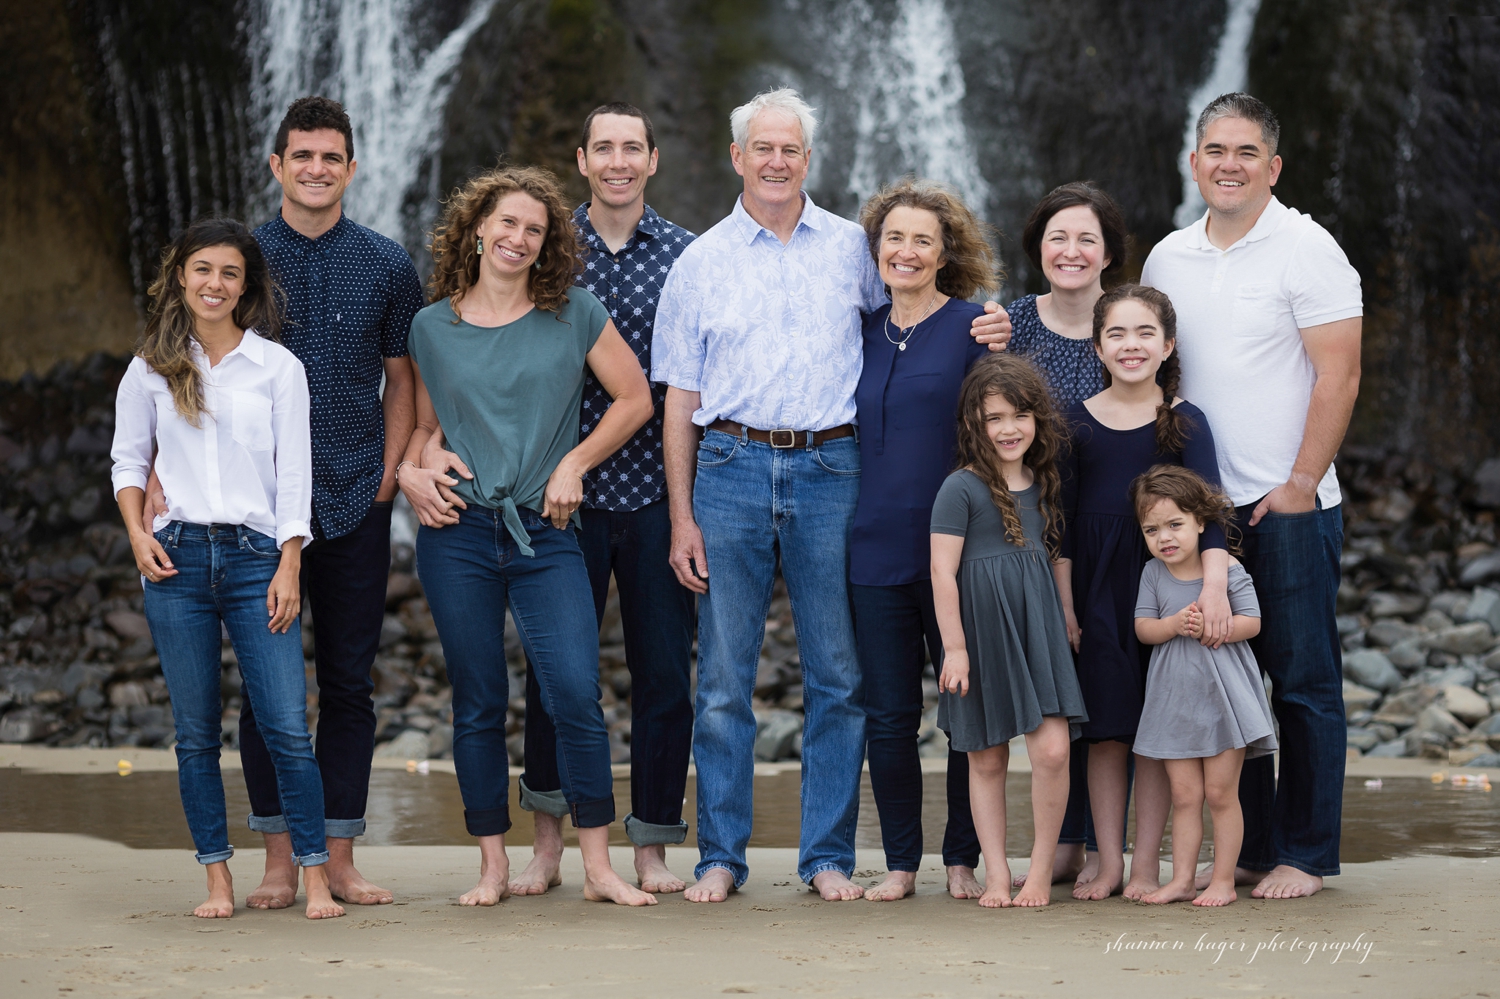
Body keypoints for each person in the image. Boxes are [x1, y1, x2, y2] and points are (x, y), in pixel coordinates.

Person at [654, 88, 1013, 905]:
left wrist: (990, 325)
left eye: (791, 149)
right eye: (763, 147)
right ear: (737, 156)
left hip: (832, 468)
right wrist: (681, 516)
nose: (777, 161)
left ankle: (825, 855)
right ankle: (721, 856)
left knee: (839, 676)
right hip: (729, 466)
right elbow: (679, 396)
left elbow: (919, 321)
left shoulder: (856, 247)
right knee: (723, 680)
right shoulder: (699, 261)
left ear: (808, 159)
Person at [147, 96, 425, 908]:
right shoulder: (240, 259)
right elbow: (179, 366)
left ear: (352, 167)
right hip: (254, 516)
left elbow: (402, 377)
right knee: (266, 694)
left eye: (330, 156)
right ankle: (278, 858)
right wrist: (159, 468)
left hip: (353, 498)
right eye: (301, 155)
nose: (316, 168)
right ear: (276, 164)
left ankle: (337, 857)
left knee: (348, 684)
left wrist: (388, 472)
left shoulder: (386, 263)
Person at [397, 165, 657, 907]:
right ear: (478, 228)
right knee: (479, 699)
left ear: (548, 244)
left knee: (574, 691)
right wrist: (414, 469)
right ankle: (492, 864)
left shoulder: (574, 312)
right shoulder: (430, 326)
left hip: (547, 531)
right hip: (457, 531)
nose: (518, 237)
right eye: (507, 222)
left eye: (534, 229)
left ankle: (599, 868)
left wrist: (575, 462)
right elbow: (424, 426)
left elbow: (634, 398)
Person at [1141, 92, 1362, 899]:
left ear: (1273, 166)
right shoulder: (1167, 257)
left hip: (1288, 506)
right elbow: (1146, 366)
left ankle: (1305, 852)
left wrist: (1301, 482)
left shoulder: (1308, 248)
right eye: (1215, 150)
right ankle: (1252, 847)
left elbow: (1341, 372)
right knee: (1225, 683)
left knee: (1301, 681)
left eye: (1245, 152)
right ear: (1193, 162)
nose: (1228, 165)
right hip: (1201, 518)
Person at [111, 217, 343, 921]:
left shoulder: (278, 367)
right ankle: (216, 879)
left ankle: (315, 875)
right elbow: (127, 461)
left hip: (255, 559)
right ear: (181, 276)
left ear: (246, 287)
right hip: (174, 560)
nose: (215, 283)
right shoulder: (150, 368)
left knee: (286, 727)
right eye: (203, 269)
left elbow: (295, 472)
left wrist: (290, 561)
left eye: (230, 273)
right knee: (195, 735)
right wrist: (136, 536)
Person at [504, 103, 698, 897]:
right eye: (604, 148)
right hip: (561, 496)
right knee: (555, 674)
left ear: (652, 160)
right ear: (581, 160)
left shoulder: (689, 255)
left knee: (665, 676)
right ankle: (549, 843)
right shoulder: (546, 249)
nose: (618, 160)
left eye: (632, 148)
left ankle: (651, 843)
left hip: (659, 492)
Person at [847, 179, 997, 902]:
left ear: (944, 253)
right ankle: (902, 861)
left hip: (956, 554)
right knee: (889, 716)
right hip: (871, 550)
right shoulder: (857, 327)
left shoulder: (974, 327)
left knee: (965, 711)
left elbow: (999, 435)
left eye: (922, 241)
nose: (906, 251)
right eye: (894, 238)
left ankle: (961, 856)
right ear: (876, 249)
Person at [1056, 284, 1230, 901]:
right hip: (1097, 590)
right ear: (1098, 347)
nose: (1131, 346)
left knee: (1159, 732)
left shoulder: (1185, 421)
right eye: (1117, 334)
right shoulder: (1074, 421)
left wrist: (1214, 590)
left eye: (1145, 333)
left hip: (1169, 590)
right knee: (1106, 731)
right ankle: (1108, 862)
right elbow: (1061, 524)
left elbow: (1212, 515)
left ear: (1168, 345)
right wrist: (1066, 604)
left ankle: (1149, 867)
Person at [1006, 181, 1127, 893]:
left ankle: (1107, 846)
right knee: (1052, 685)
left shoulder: (1128, 322)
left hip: (1113, 526)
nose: (1071, 251)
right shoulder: (1011, 323)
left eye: (1087, 239)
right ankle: (1061, 841)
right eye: (1058, 237)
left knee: (1108, 687)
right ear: (1039, 248)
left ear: (1108, 252)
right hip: (1033, 529)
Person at [931, 354, 1085, 908]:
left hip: (1038, 625)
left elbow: (1055, 553)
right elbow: (941, 571)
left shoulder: (1045, 482)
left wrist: (1067, 614)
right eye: (994, 417)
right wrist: (954, 649)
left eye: (1019, 415)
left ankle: (1040, 872)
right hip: (981, 633)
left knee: (1053, 751)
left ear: (1037, 418)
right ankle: (996, 874)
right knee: (988, 756)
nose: (1008, 429)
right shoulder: (961, 487)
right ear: (975, 422)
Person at [1130, 465, 1274, 906]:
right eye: (1152, 530)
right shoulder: (1154, 573)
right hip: (1174, 702)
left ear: (1199, 522)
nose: (1164, 538)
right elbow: (1143, 629)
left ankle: (1224, 880)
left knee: (1220, 794)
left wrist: (1216, 627)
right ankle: (1182, 880)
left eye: (1175, 525)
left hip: (1224, 700)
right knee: (1184, 795)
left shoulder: (1226, 568)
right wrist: (1173, 625)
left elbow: (1253, 622)